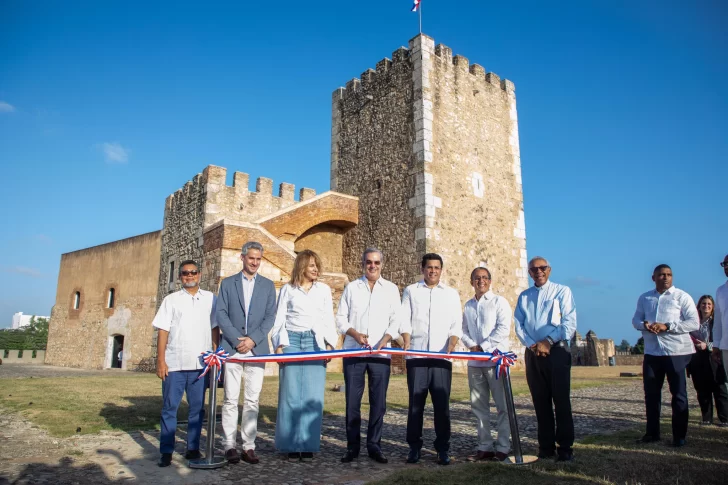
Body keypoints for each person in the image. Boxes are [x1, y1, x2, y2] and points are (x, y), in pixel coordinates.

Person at [270, 249, 339, 462]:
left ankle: (308, 444)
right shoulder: (288, 290)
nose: (316, 269)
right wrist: (279, 346)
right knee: (290, 395)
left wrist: (330, 344)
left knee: (312, 395)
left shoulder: (324, 290)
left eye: (317, 265)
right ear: (301, 267)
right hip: (291, 341)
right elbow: (279, 318)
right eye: (311, 265)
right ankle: (290, 445)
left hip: (314, 342)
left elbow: (328, 317)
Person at [337, 248, 400, 464]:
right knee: (352, 402)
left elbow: (396, 320)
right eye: (368, 262)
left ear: (382, 264)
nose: (372, 266)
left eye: (376, 263)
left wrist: (385, 339)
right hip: (354, 351)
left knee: (378, 402)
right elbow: (341, 319)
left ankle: (374, 445)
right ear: (362, 263)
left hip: (381, 354)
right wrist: (354, 333)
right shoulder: (352, 288)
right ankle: (352, 447)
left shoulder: (391, 289)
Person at [399, 253, 463, 466]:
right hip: (416, 356)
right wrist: (406, 340)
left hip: (441, 358)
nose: (433, 271)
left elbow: (456, 324)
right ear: (422, 269)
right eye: (429, 267)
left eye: (436, 267)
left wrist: (451, 345)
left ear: (441, 270)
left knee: (441, 406)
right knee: (416, 405)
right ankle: (414, 448)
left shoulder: (451, 294)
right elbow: (404, 320)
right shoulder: (410, 291)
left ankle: (442, 448)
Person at [216, 242, 277, 465]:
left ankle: (249, 446)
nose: (254, 262)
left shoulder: (268, 286)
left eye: (258, 259)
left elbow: (270, 317)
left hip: (257, 349)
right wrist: (236, 339)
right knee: (230, 399)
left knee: (252, 400)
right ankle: (229, 445)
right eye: (251, 258)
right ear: (242, 258)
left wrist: (253, 340)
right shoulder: (228, 284)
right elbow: (221, 313)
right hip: (232, 348)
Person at [153, 260, 217, 467]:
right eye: (185, 273)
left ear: (199, 275)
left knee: (197, 410)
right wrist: (160, 360)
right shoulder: (171, 300)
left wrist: (215, 355)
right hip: (175, 364)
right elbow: (163, 331)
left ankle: (192, 448)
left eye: (193, 272)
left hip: (200, 365)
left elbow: (215, 328)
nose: (189, 276)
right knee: (170, 408)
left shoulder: (210, 299)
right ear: (180, 276)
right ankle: (166, 451)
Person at [514, 256, 577, 462]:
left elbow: (569, 322)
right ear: (529, 272)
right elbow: (519, 324)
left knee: (561, 400)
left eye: (542, 268)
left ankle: (565, 447)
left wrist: (548, 341)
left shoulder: (562, 291)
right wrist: (533, 344)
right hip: (533, 353)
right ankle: (546, 446)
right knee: (540, 402)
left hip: (556, 351)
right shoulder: (524, 296)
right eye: (534, 269)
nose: (538, 272)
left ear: (549, 269)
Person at [632, 264, 699, 447]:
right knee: (651, 394)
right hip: (652, 352)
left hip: (676, 351)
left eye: (669, 275)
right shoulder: (645, 298)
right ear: (653, 277)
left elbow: (694, 323)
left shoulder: (681, 297)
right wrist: (644, 325)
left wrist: (667, 326)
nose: (666, 278)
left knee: (678, 394)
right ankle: (652, 433)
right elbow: (635, 319)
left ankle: (679, 436)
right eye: (661, 275)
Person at [461, 267, 513, 462]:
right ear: (471, 281)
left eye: (484, 278)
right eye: (477, 278)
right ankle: (485, 445)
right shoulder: (468, 305)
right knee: (479, 406)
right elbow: (463, 329)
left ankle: (503, 446)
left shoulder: (500, 302)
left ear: (490, 281)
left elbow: (503, 329)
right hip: (475, 363)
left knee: (502, 406)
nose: (480, 281)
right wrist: (472, 346)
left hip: (495, 361)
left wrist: (482, 347)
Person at [687, 295, 728, 426]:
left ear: (713, 307)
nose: (706, 306)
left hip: (714, 358)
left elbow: (721, 338)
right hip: (697, 359)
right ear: (699, 306)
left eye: (709, 304)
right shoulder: (693, 323)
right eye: (704, 304)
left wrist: (707, 346)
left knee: (719, 389)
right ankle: (707, 418)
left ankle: (724, 418)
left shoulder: (717, 322)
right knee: (702, 390)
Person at [712, 255, 728, 381]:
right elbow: (718, 320)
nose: (726, 266)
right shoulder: (721, 290)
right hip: (726, 345)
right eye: (725, 264)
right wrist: (716, 344)